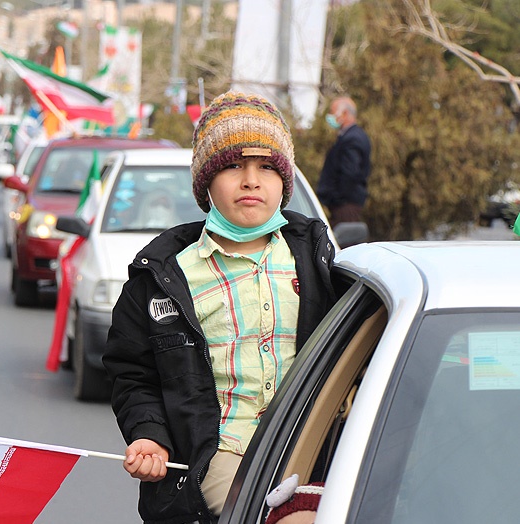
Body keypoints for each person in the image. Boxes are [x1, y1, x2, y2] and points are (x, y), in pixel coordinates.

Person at [102, 91, 337, 523]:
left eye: (267, 167)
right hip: (223, 457)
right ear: (205, 182)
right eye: (233, 166)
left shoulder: (318, 259)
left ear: (284, 181)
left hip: (314, 450)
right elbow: (132, 374)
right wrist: (149, 436)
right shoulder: (162, 277)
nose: (251, 180)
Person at [316, 96, 371, 227]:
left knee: (345, 244)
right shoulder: (349, 136)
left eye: (333, 112)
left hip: (345, 206)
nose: (330, 116)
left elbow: (350, 174)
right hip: (344, 204)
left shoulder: (352, 139)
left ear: (345, 113)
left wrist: (336, 198)